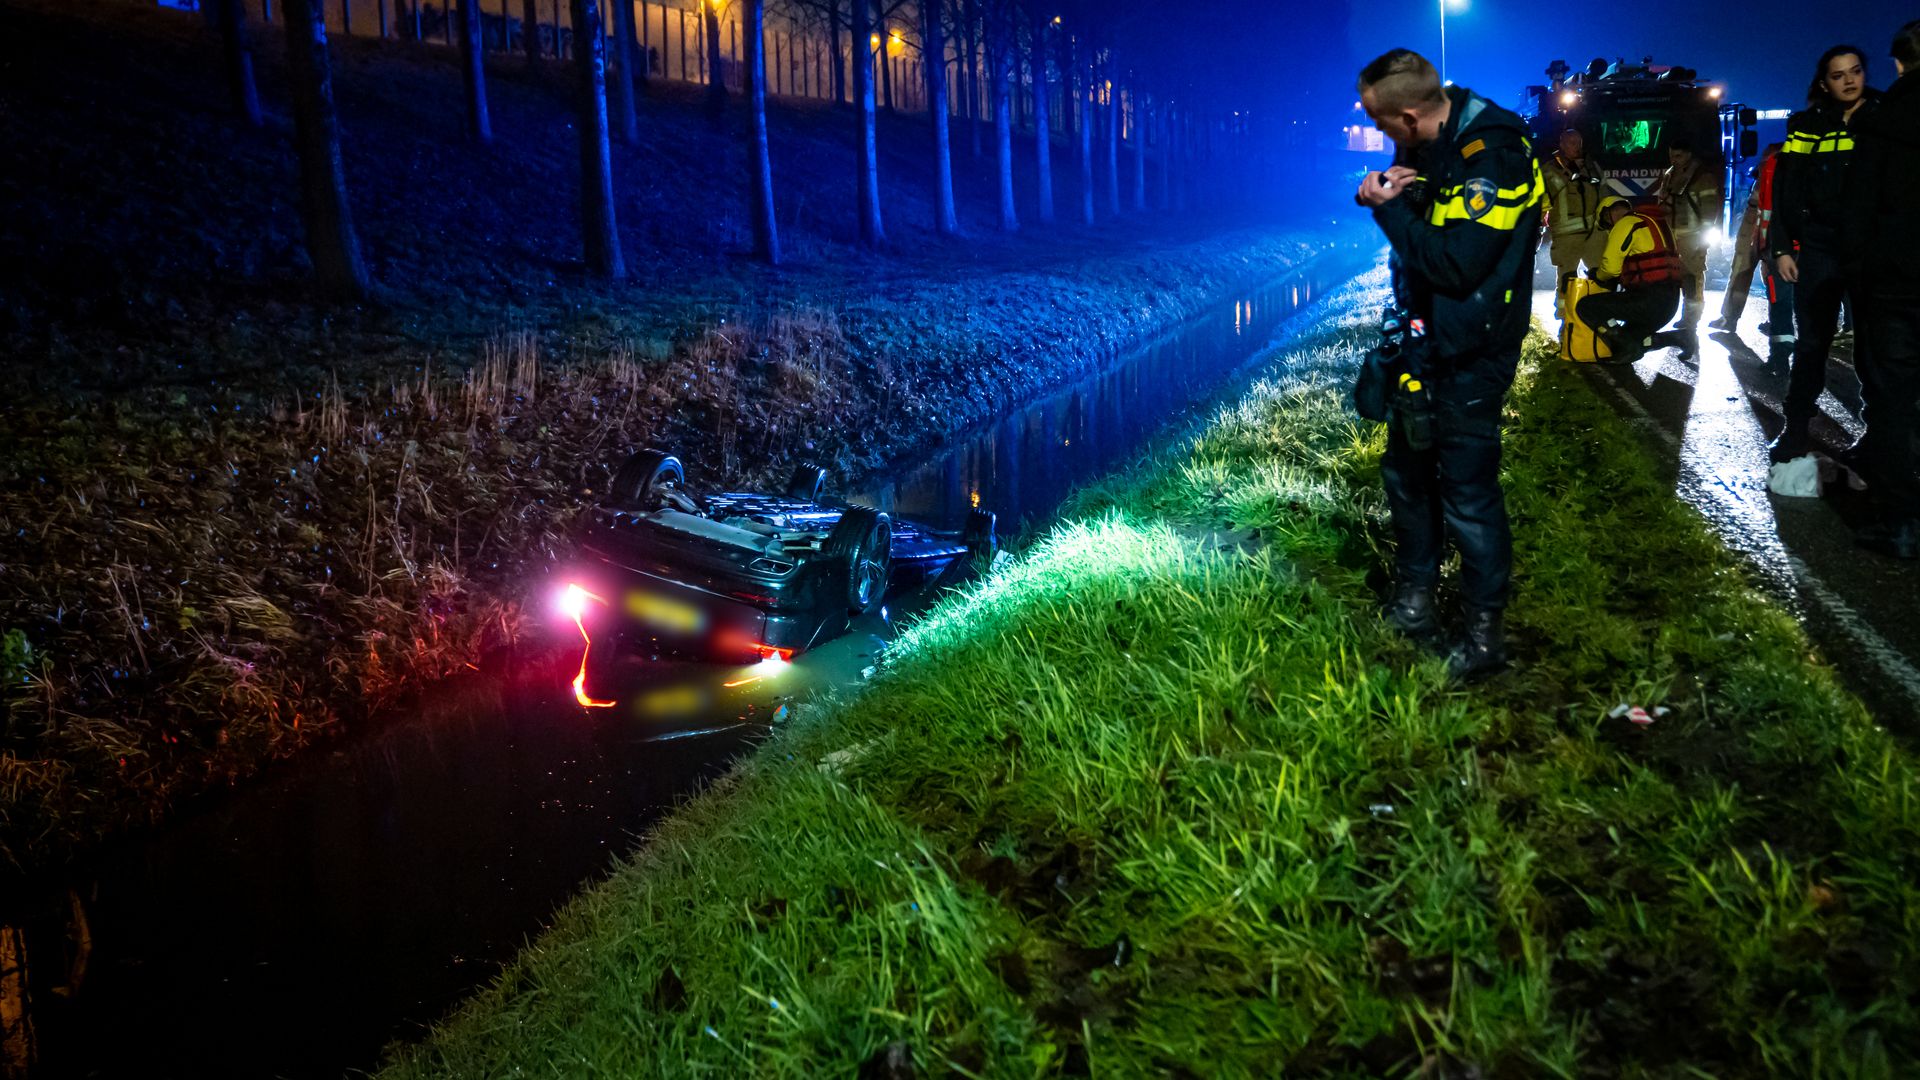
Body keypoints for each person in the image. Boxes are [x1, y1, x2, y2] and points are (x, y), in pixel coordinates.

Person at [1353, 48, 1545, 680]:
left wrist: (1388, 210)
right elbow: (1422, 228)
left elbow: (1455, 266)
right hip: (1423, 338)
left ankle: (1483, 635)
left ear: (1409, 117)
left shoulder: (1493, 154)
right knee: (1406, 472)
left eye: (1383, 125)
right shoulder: (1431, 139)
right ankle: (1414, 601)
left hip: (1473, 347)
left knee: (1466, 488)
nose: (1382, 138)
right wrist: (1389, 193)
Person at [1770, 44, 1881, 463]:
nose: (1850, 81)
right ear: (1824, 83)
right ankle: (1795, 429)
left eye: (1855, 71)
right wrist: (1782, 247)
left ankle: (1876, 438)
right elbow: (1786, 187)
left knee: (1873, 349)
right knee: (1812, 344)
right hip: (1819, 248)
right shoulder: (1807, 126)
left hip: (1871, 250)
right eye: (1839, 75)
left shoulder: (1883, 118)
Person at [1844, 20, 1920, 557]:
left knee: (1894, 402)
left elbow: (1860, 212)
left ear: (1896, 62)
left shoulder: (1883, 121)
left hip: (1897, 285)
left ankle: (1903, 524)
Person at [1577, 195, 1685, 364]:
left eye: (1606, 225)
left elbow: (1610, 268)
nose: (1609, 229)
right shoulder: (1656, 223)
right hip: (1670, 304)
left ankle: (1629, 348)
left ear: (1607, 215)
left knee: (1587, 306)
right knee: (1626, 341)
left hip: (1647, 301)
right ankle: (1678, 338)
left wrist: (1597, 276)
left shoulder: (1626, 224)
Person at [1650, 135, 1721, 351]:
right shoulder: (1670, 175)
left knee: (1692, 278)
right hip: (1672, 236)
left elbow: (1710, 210)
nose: (1674, 159)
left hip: (1693, 236)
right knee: (1677, 278)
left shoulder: (1702, 177)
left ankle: (1692, 321)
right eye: (1672, 155)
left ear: (1689, 155)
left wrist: (1704, 239)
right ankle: (1684, 318)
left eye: (1679, 155)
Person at [1542, 128, 1607, 318]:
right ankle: (1566, 320)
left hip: (1594, 234)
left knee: (1598, 276)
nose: (1576, 147)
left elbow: (1604, 194)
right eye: (1571, 143)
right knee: (1567, 279)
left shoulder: (1592, 167)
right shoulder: (1549, 170)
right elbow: (1540, 198)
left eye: (1579, 142)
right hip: (1565, 235)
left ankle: (1597, 316)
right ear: (1561, 144)